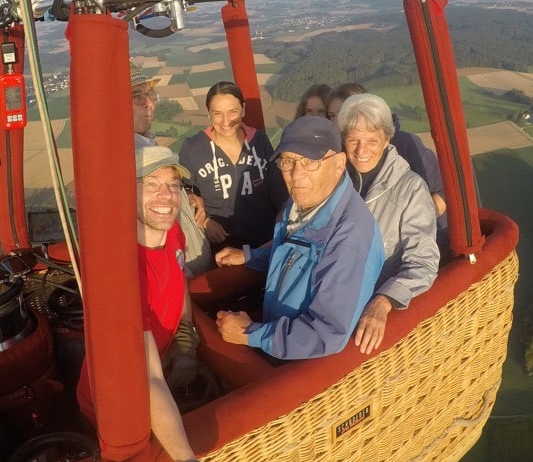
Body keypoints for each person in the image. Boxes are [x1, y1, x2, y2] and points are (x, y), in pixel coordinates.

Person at [77, 146, 236, 462]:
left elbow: (178, 276)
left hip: (160, 371)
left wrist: (184, 336)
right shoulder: (122, 273)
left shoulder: (172, 230)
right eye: (151, 185)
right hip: (116, 404)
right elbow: (146, 379)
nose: (166, 196)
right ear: (126, 192)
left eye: (172, 184)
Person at [213, 116, 384, 360]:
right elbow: (294, 251)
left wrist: (251, 333)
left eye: (310, 162)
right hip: (282, 345)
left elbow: (327, 333)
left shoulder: (349, 237)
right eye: (288, 161)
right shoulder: (304, 203)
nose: (296, 174)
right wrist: (252, 256)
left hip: (304, 367)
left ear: (338, 164)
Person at [337, 93, 440, 355]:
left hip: (365, 310)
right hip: (332, 301)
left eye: (372, 140)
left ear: (386, 139)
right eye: (353, 140)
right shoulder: (335, 180)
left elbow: (423, 263)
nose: (361, 150)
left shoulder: (411, 190)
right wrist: (253, 255)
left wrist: (384, 301)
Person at [130, 64, 212, 276]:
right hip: (180, 277)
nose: (149, 103)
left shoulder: (147, 144)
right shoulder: (126, 159)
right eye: (137, 96)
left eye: (150, 94)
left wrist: (186, 196)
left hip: (191, 270)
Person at [179, 81, 277, 251]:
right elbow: (182, 191)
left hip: (263, 243)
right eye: (217, 113)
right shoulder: (193, 149)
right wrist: (206, 222)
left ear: (243, 110)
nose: (226, 121)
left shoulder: (259, 141)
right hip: (219, 246)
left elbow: (276, 187)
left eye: (233, 112)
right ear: (208, 113)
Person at [327, 82, 448, 219]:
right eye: (332, 116)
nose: (338, 121)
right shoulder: (337, 160)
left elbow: (443, 191)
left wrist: (413, 220)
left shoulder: (405, 144)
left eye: (344, 112)